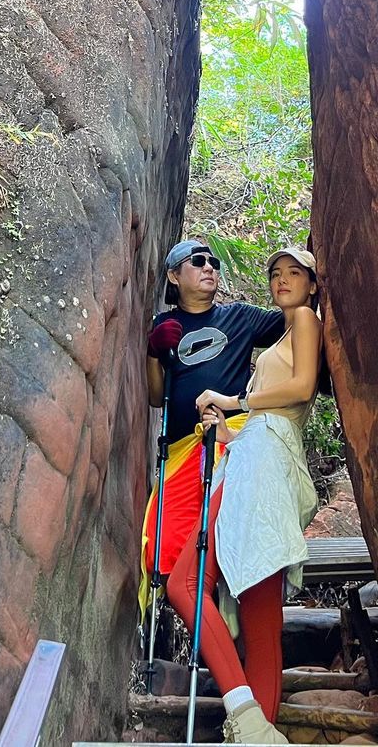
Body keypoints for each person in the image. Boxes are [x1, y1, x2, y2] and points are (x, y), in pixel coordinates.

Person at [166, 246, 322, 745]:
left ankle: (246, 714)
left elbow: (300, 389)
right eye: (275, 273)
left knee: (186, 584)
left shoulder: (303, 319)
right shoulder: (284, 332)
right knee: (258, 615)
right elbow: (268, 414)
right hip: (255, 453)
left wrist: (234, 400)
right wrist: (228, 430)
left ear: (313, 285)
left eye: (293, 272)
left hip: (267, 462)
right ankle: (257, 729)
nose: (281, 280)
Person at [140, 239, 285, 625]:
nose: (209, 268)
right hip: (182, 448)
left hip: (228, 439)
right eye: (198, 262)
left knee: (226, 528)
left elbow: (293, 324)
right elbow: (157, 397)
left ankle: (230, 594)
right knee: (163, 544)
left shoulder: (240, 318)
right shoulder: (164, 325)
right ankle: (203, 614)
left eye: (214, 262)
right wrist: (154, 353)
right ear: (174, 275)